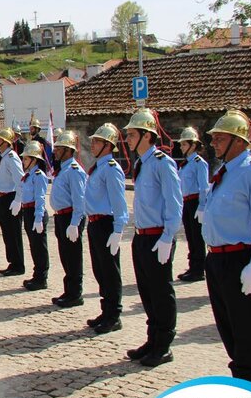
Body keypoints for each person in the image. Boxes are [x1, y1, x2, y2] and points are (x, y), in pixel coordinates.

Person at [202, 109, 251, 384]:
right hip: (217, 259)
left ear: (239, 140)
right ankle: (240, 378)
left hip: (239, 258)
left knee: (244, 326)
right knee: (227, 325)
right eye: (214, 139)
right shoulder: (226, 171)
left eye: (220, 139)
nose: (214, 144)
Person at [123, 108, 182, 367]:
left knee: (161, 292)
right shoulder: (142, 163)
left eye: (132, 134)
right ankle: (152, 339)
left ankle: (164, 344)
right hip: (142, 236)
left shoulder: (162, 162)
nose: (127, 139)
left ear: (147, 136)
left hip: (159, 236)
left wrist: (169, 236)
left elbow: (174, 202)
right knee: (147, 291)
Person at [84, 123, 130, 335]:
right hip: (94, 222)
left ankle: (114, 315)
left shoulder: (111, 169)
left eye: (97, 142)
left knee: (110, 272)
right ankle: (106, 310)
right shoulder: (98, 168)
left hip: (106, 223)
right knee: (100, 270)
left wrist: (118, 229)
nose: (92, 145)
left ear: (108, 145)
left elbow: (119, 201)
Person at [49, 130, 87, 308]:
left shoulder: (74, 171)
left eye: (59, 148)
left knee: (73, 257)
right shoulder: (63, 169)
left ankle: (75, 293)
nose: (55, 151)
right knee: (65, 255)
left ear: (68, 150)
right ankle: (69, 290)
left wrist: (75, 224)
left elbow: (80, 200)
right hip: (61, 217)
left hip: (70, 217)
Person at [176, 127, 210, 282]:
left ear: (193, 145)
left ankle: (199, 270)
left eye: (184, 144)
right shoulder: (185, 164)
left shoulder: (199, 163)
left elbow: (203, 187)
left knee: (197, 237)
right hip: (186, 202)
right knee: (190, 235)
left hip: (195, 202)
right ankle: (193, 266)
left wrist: (202, 207)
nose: (181, 147)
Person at [0, 127, 25, 276]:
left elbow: (20, 180)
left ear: (5, 143)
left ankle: (18, 264)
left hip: (11, 198)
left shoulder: (11, 157)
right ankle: (12, 262)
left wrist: (18, 200)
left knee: (13, 233)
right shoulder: (3, 158)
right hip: (2, 198)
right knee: (7, 233)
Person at [18, 140, 50, 291]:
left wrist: (38, 218)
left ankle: (41, 278)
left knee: (39, 247)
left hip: (36, 212)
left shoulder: (38, 175)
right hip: (28, 211)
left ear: (34, 160)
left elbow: (40, 198)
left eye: (26, 158)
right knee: (33, 246)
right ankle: (36, 275)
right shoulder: (29, 175)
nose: (23, 161)